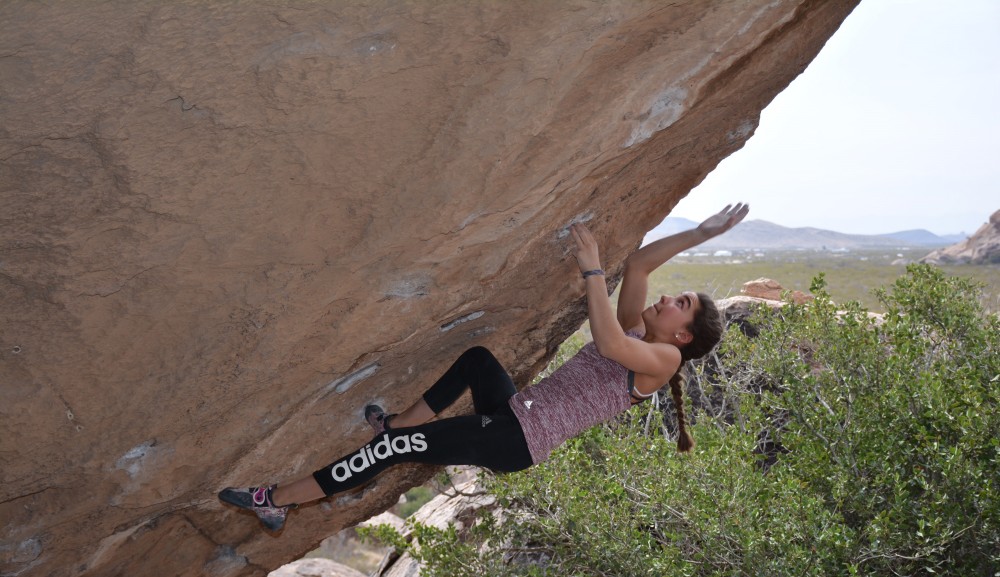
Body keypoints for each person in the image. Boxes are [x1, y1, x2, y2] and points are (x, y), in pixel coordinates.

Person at [219, 204, 749, 531]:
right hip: (516, 413)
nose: (668, 298)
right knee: (477, 361)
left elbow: (607, 344)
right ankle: (399, 423)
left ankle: (277, 501)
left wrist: (590, 269)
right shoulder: (644, 332)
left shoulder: (664, 357)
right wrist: (702, 233)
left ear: (683, 335)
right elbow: (638, 266)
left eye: (680, 303)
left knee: (390, 453)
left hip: (516, 439)